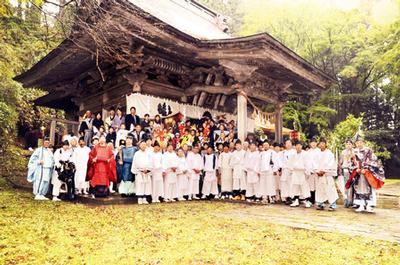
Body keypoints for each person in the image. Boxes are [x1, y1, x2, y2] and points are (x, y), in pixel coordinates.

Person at [348, 135, 385, 213]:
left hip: (368, 173)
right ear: (355, 143)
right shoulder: (354, 152)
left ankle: (369, 205)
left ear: (364, 142)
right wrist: (356, 168)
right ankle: (361, 204)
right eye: (357, 143)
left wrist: (366, 168)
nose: (359, 144)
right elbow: (351, 162)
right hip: (358, 174)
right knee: (359, 188)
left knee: (369, 189)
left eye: (361, 142)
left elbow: (374, 161)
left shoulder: (368, 151)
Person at [315, 138, 338, 211]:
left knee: (330, 189)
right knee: (320, 189)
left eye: (323, 143)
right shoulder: (317, 153)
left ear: (325, 144)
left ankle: (332, 205)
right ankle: (320, 204)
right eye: (320, 143)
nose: (321, 145)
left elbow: (331, 164)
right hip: (319, 175)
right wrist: (317, 171)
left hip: (327, 175)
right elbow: (314, 163)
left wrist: (324, 171)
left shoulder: (329, 153)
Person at [288, 141, 312, 208]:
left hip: (303, 173)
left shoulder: (305, 154)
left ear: (301, 146)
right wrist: (291, 170)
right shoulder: (293, 154)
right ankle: (296, 200)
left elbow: (308, 164)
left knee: (304, 187)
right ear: (295, 146)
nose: (298, 147)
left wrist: (307, 172)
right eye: (297, 145)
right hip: (295, 172)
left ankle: (307, 201)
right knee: (295, 186)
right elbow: (290, 164)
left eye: (299, 145)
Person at [338, 139, 354, 208]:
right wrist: (339, 170)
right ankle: (346, 200)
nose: (348, 145)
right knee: (346, 185)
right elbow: (340, 162)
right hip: (345, 170)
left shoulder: (354, 152)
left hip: (353, 171)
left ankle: (352, 201)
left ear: (352, 145)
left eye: (350, 144)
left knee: (353, 186)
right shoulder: (343, 152)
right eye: (347, 144)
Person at [280, 139, 296, 204]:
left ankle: (292, 197)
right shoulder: (283, 152)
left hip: (292, 170)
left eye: (289, 143)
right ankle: (286, 198)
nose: (288, 144)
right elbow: (280, 161)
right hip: (285, 170)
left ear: (291, 144)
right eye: (287, 143)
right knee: (285, 184)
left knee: (291, 184)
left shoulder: (294, 152)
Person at [306, 137, 320, 205]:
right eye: (312, 143)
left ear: (316, 143)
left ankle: (318, 200)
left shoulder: (319, 151)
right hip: (310, 172)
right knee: (311, 186)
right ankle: (311, 200)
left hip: (318, 172)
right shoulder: (308, 152)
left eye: (315, 142)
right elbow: (307, 162)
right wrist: (309, 170)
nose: (313, 144)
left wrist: (318, 170)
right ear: (310, 144)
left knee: (318, 186)